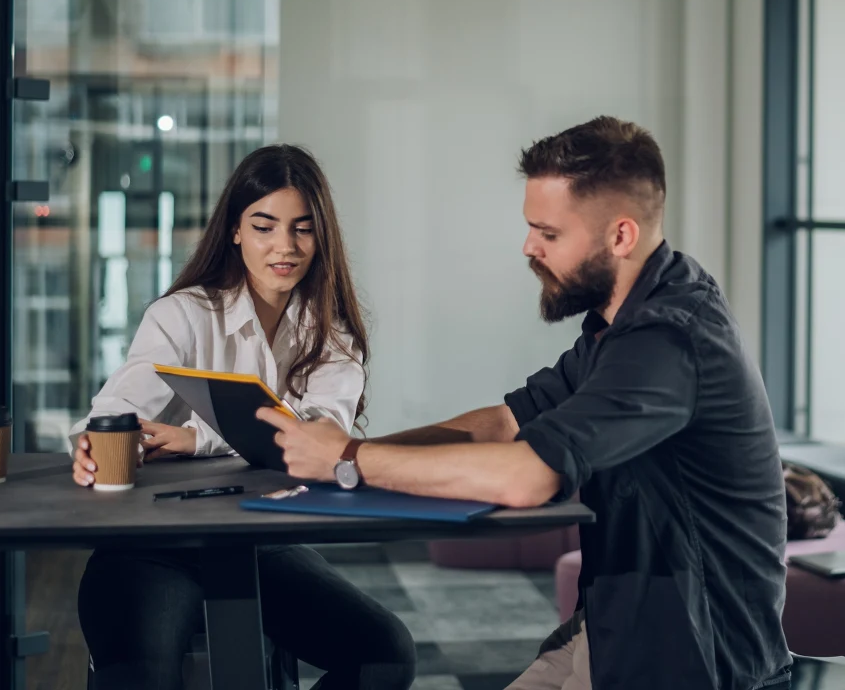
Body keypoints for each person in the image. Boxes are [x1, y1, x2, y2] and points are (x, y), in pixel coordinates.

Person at [260, 117, 792, 690]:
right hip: (611, 631)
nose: (529, 247)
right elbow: (505, 421)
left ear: (621, 236)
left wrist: (349, 459)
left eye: (549, 234)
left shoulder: (669, 341)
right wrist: (344, 450)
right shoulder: (620, 325)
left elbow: (529, 478)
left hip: (692, 660)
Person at [70, 144, 415, 690]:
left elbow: (315, 439)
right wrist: (101, 443)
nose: (285, 246)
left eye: (302, 228)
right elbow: (114, 415)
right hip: (153, 545)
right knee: (144, 678)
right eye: (264, 226)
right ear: (234, 231)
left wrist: (194, 438)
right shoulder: (181, 314)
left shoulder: (335, 334)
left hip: (259, 543)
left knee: (386, 654)